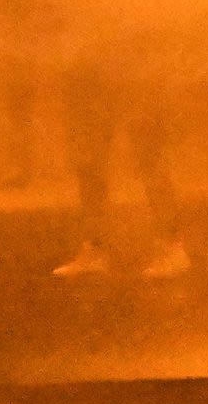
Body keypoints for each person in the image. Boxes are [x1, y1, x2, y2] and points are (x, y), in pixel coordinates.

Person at [50, 40, 189, 281]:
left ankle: (171, 245)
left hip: (134, 59)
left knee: (148, 155)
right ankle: (95, 248)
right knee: (90, 158)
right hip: (97, 61)